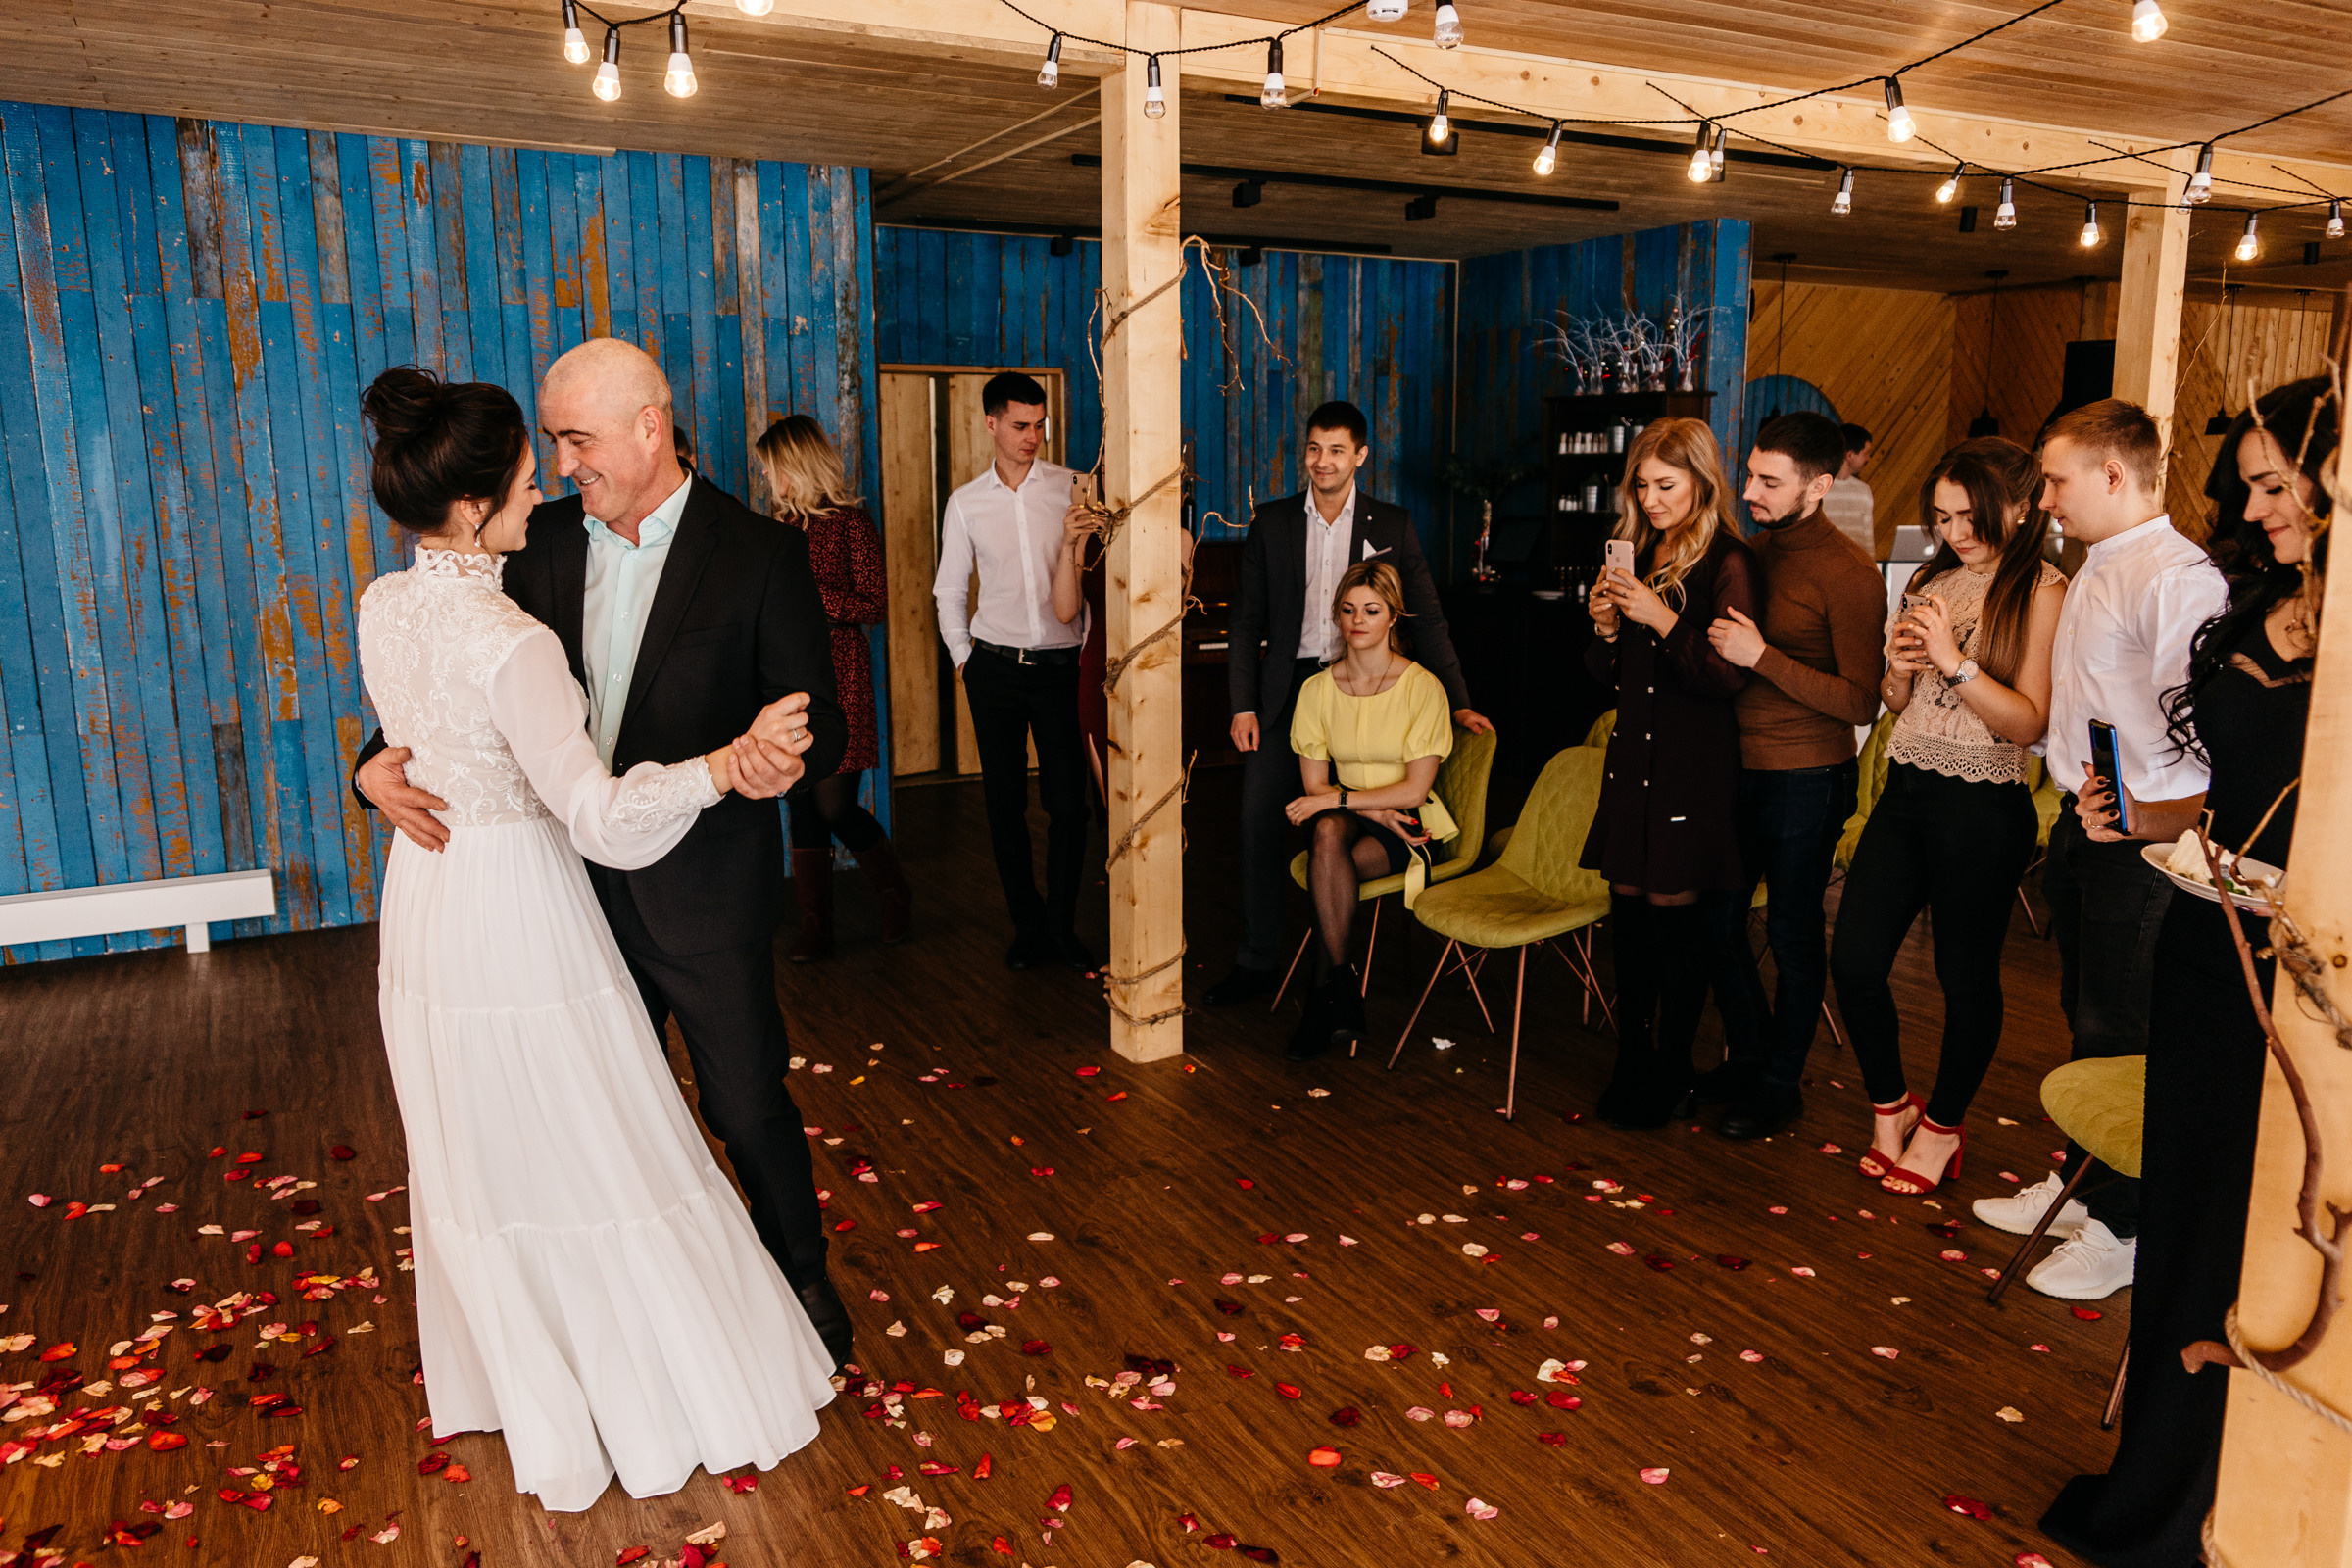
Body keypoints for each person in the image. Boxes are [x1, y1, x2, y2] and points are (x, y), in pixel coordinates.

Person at [351, 366, 838, 1511]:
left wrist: (777, 760)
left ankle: (805, 1292)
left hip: (688, 897)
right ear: (488, 502)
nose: (560, 472)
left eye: (575, 443)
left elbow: (818, 709)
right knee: (589, 1142)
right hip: (550, 897)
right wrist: (367, 768)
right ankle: (629, 1356)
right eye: (545, 456)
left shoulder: (760, 554)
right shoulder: (531, 558)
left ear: (649, 427)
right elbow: (432, 708)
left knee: (742, 1102)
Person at [2039, 376, 2330, 1568]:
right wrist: (2146, 819)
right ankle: (2161, 1481)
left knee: (2264, 1240)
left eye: (2278, 486)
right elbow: (2219, 775)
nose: (2257, 510)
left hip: (2306, 976)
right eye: (2251, 487)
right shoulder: (2269, 599)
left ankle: (2255, 1502)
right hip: (2217, 932)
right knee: (2194, 1232)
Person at [1969, 397, 2228, 1301]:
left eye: (2055, 478)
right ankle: (2081, 1184)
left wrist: (2150, 820)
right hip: (2081, 821)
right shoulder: (2092, 567)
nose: (2044, 499)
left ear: (2113, 474)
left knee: (2124, 1028)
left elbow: (2203, 736)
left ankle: (2125, 1225)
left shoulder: (2175, 579)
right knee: (2086, 1017)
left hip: (2143, 843)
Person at [1830, 438, 2067, 1196]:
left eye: (1972, 516)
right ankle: (1891, 1105)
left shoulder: (2044, 589)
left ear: (2021, 508)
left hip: (1984, 806)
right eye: (1942, 517)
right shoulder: (1934, 577)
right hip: (1906, 789)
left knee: (1964, 975)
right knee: (1856, 959)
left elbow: (2027, 723)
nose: (1957, 533)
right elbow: (1898, 704)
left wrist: (1953, 658)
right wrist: (1899, 665)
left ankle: (1943, 1127)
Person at [1206, 400, 1489, 1010]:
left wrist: (1459, 702)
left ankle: (1329, 969)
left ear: (1360, 456)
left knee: (1336, 825)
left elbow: (1430, 619)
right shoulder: (1272, 522)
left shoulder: (1392, 523)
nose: (1323, 461)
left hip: (1368, 684)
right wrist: (1242, 705)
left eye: (1337, 450)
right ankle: (1257, 962)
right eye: (1314, 448)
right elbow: (1245, 620)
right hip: (1291, 694)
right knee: (1258, 822)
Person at [1701, 411, 1886, 1139]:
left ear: (1820, 486)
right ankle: (1750, 1055)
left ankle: (1781, 1083)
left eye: (1769, 482)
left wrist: (1763, 659)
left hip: (1808, 777)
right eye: (1750, 475)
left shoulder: (1850, 573)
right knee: (1716, 920)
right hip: (1735, 768)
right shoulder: (1752, 552)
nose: (1750, 491)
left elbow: (1860, 700)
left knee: (1792, 929)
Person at [1584, 416, 1760, 1128]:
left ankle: (1674, 1064)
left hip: (1694, 765)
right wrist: (1602, 627)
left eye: (1666, 485)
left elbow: (1725, 676)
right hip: (1634, 759)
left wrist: (1659, 617)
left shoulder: (1729, 561)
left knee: (1674, 926)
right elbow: (1610, 677)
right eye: (1642, 486)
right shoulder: (1639, 553)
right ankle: (1631, 1055)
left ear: (1701, 481)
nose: (1651, 499)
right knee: (1627, 918)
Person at [932, 371, 1093, 972]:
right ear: (991, 423)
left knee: (1068, 806)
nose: (1034, 436)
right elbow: (949, 588)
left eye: (1041, 425)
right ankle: (1027, 926)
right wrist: (963, 659)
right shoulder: (966, 502)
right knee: (1002, 805)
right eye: (1022, 425)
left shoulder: (1074, 488)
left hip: (1060, 668)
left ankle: (1061, 927)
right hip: (992, 668)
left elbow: (1097, 574)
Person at [1280, 560, 1462, 1060]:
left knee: (1327, 854)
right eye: (1348, 609)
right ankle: (1338, 993)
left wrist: (1354, 804)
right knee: (1328, 838)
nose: (1358, 620)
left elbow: (1411, 791)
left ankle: (1327, 999)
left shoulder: (1422, 687)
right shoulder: (1317, 690)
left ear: (1393, 616)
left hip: (1410, 828)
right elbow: (1315, 785)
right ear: (1337, 617)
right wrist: (1361, 807)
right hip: (1355, 820)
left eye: (1372, 610)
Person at [756, 415, 910, 961]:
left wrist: (811, 598)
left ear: (795, 465)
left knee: (836, 807)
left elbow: (873, 605)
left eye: (772, 468)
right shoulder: (775, 530)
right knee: (799, 804)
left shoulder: (850, 523)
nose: (768, 479)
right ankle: (816, 925)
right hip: (788, 688)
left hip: (842, 684)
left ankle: (895, 896)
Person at [1821, 421, 1878, 557]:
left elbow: (1868, 538)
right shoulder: (1820, 488)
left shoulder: (1864, 490)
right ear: (1850, 455)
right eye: (1865, 453)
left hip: (1855, 568)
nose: (1868, 459)